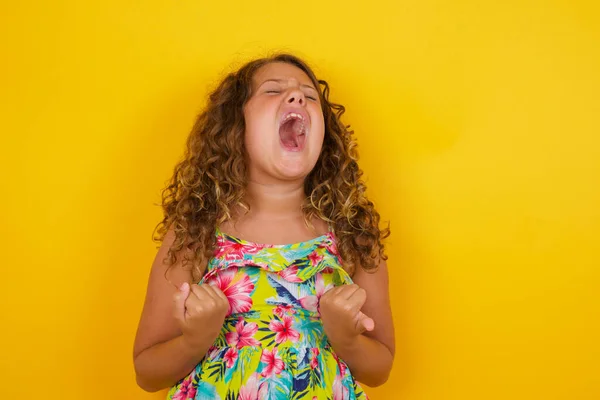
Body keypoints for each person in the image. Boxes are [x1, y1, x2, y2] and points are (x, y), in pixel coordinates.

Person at [133, 53, 395, 399]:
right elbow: (147, 372)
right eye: (273, 91)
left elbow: (380, 369)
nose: (297, 96)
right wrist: (195, 339)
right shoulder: (195, 232)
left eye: (310, 96)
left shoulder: (352, 233)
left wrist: (346, 338)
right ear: (235, 126)